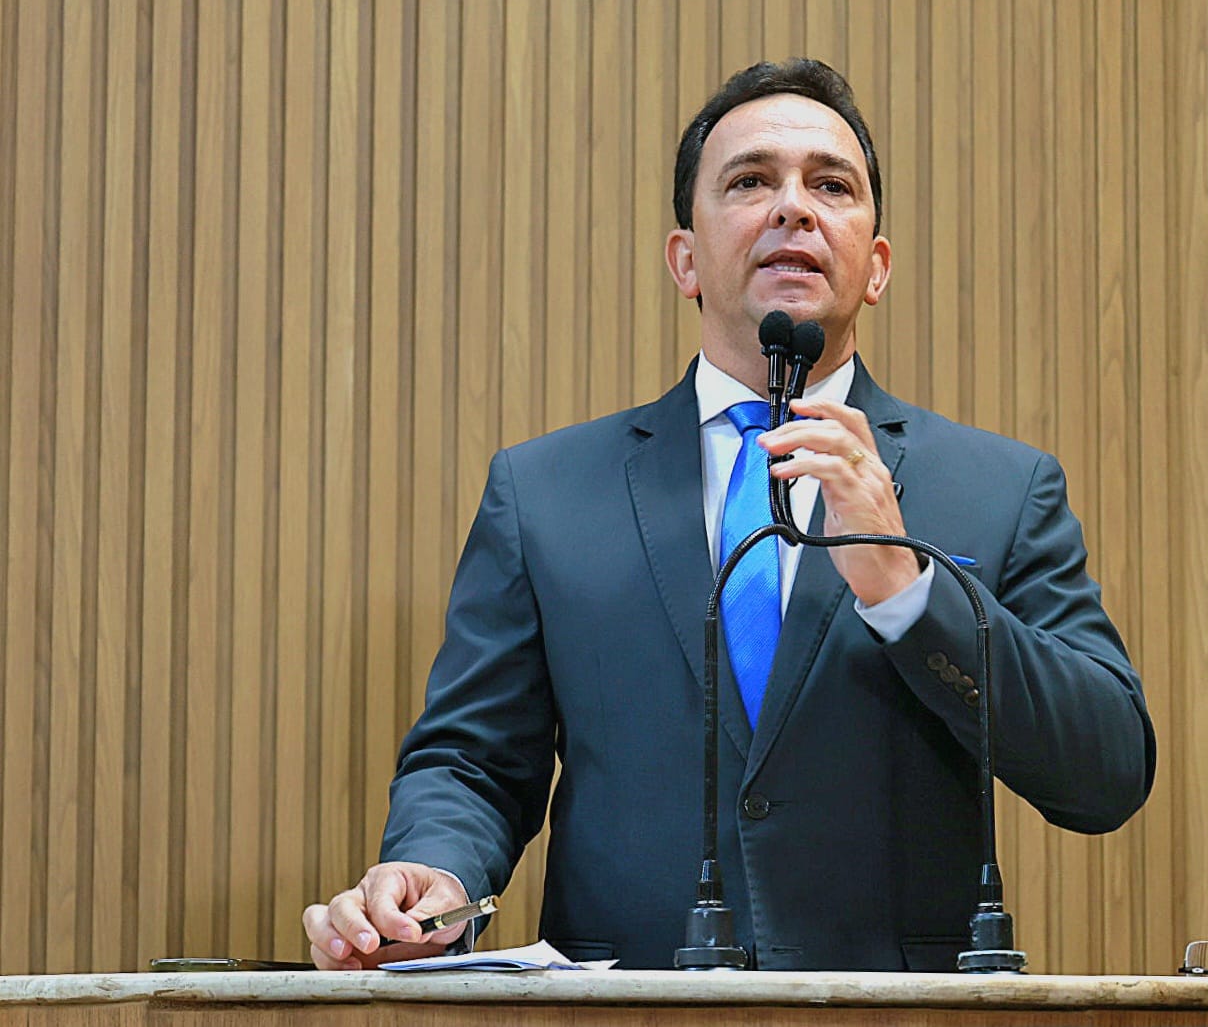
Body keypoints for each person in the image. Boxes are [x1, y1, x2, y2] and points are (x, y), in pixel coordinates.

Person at [303, 58, 1155, 972]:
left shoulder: (999, 488)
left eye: (831, 185)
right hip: (628, 1004)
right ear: (685, 260)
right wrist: (433, 871)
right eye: (750, 181)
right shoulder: (545, 491)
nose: (793, 208)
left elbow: (1104, 770)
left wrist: (909, 594)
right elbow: (472, 761)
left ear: (875, 267)